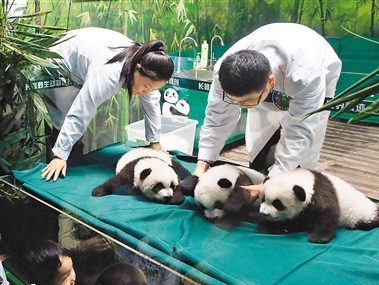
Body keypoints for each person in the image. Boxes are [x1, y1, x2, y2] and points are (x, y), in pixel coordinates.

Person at [186, 23, 342, 196]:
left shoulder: (307, 76)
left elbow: (300, 131)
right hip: (266, 77)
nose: (240, 107)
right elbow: (217, 118)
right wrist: (201, 167)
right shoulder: (224, 70)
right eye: (235, 101)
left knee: (304, 151)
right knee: (260, 136)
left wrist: (272, 182)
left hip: (316, 65)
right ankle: (261, 173)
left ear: (270, 81)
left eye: (247, 101)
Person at [40, 27, 174, 182]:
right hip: (58, 61)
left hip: (85, 56)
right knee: (62, 122)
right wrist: (60, 155)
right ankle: (57, 162)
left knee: (71, 130)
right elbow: (81, 111)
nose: (146, 92)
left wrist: (155, 142)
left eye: (153, 88)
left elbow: (152, 103)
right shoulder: (109, 74)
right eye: (147, 86)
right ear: (137, 69)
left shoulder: (145, 65)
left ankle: (68, 156)